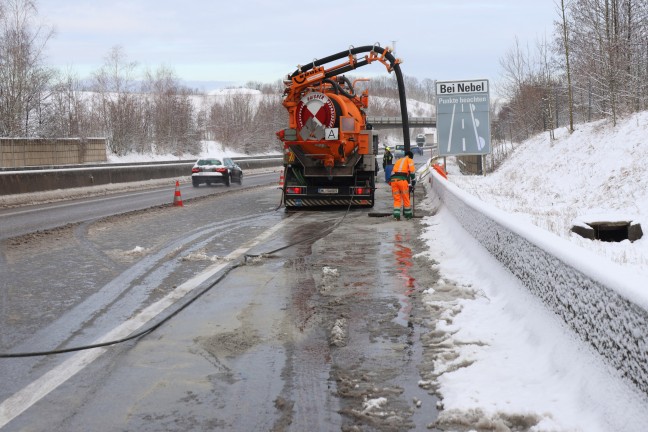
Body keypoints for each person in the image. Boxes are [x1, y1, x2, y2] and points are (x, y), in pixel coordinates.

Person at [389, 150, 416, 220]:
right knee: (405, 197)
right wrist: (413, 181)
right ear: (410, 156)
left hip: (393, 180)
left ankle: (396, 215)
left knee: (397, 198)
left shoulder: (398, 160)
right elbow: (412, 171)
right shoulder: (409, 160)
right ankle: (408, 215)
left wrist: (390, 182)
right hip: (402, 180)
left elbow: (392, 172)